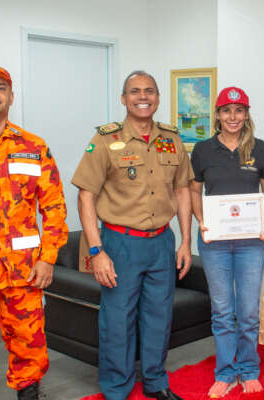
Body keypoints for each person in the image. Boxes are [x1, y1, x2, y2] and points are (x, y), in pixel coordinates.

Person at [72, 70, 192, 400]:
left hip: (162, 243)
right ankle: (116, 388)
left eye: (149, 91)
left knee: (159, 317)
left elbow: (182, 189)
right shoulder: (104, 140)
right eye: (135, 91)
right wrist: (97, 251)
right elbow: (85, 196)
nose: (143, 97)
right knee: (118, 320)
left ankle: (155, 381)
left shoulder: (172, 138)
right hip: (120, 243)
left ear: (157, 98)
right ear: (124, 99)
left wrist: (185, 241)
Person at [0, 63, 68, 400]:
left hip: (24, 271)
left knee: (30, 348)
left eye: (1, 87)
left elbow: (54, 206)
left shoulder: (33, 145)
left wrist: (48, 258)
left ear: (11, 97)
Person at [189, 86, 264, 398]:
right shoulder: (202, 150)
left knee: (249, 311)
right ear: (218, 114)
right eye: (227, 110)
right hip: (215, 242)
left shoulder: (260, 149)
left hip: (251, 241)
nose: (233, 116)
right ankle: (226, 372)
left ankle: (249, 369)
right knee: (223, 311)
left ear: (246, 114)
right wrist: (201, 220)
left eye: (239, 110)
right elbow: (194, 190)